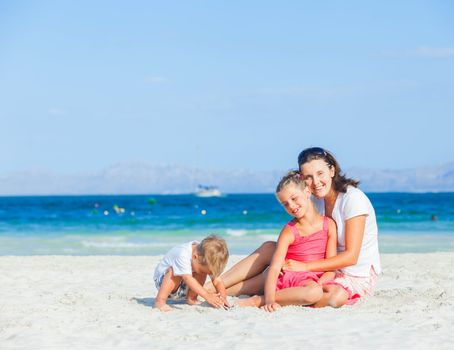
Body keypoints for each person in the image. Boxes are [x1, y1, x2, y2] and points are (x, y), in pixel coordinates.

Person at [208, 147, 381, 306]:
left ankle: (261, 299)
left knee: (335, 297)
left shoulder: (352, 199)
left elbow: (351, 257)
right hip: (316, 265)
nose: (316, 182)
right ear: (302, 180)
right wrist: (288, 265)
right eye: (309, 177)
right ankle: (213, 287)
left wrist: (303, 267)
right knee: (270, 249)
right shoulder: (314, 199)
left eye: (320, 173)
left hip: (350, 273)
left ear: (332, 170)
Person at [237, 171, 343, 311]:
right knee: (313, 293)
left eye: (294, 198)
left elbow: (331, 267)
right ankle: (259, 300)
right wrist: (269, 301)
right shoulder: (289, 231)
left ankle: (293, 297)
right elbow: (274, 268)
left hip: (315, 280)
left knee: (339, 295)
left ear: (307, 192)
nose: (291, 206)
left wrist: (320, 283)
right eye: (285, 204)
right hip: (293, 278)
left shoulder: (329, 225)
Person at [154, 235, 230, 311]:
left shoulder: (205, 255)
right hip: (164, 283)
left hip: (183, 285)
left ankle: (192, 298)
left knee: (202, 272)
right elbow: (187, 278)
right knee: (173, 270)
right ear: (195, 257)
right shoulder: (182, 254)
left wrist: (223, 298)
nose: (207, 274)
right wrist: (207, 296)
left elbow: (217, 281)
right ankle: (160, 301)